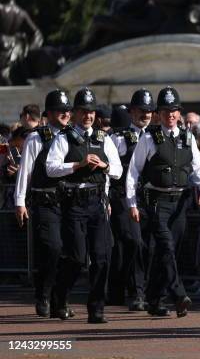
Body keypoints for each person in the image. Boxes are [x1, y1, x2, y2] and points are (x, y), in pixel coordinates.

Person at [126, 86, 200, 318]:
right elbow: (133, 171)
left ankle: (154, 299)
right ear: (158, 114)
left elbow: (199, 167)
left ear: (179, 113)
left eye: (174, 110)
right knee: (167, 248)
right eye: (165, 111)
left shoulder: (187, 137)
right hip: (157, 202)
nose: (170, 115)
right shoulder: (149, 138)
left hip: (180, 202)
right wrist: (132, 203)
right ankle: (178, 294)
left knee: (169, 251)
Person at [46, 87, 122, 323]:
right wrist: (77, 165)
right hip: (74, 203)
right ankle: (59, 296)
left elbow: (118, 171)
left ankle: (96, 309)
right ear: (75, 113)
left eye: (91, 112)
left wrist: (104, 167)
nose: (88, 116)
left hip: (97, 202)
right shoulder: (64, 137)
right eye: (83, 111)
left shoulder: (104, 139)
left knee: (101, 257)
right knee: (77, 258)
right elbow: (51, 168)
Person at [13, 90, 72, 318]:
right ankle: (44, 294)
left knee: (72, 253)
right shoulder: (37, 137)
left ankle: (61, 298)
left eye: (67, 110)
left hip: (69, 202)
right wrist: (20, 201)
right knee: (52, 248)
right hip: (45, 200)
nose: (65, 114)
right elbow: (25, 171)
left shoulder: (74, 136)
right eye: (60, 110)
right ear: (48, 113)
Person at [107, 89, 155, 311]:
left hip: (149, 199)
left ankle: (134, 288)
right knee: (132, 242)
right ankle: (137, 292)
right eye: (141, 111)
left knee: (148, 245)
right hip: (123, 200)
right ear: (132, 111)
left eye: (148, 111)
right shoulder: (117, 138)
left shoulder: (157, 137)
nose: (145, 115)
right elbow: (110, 171)